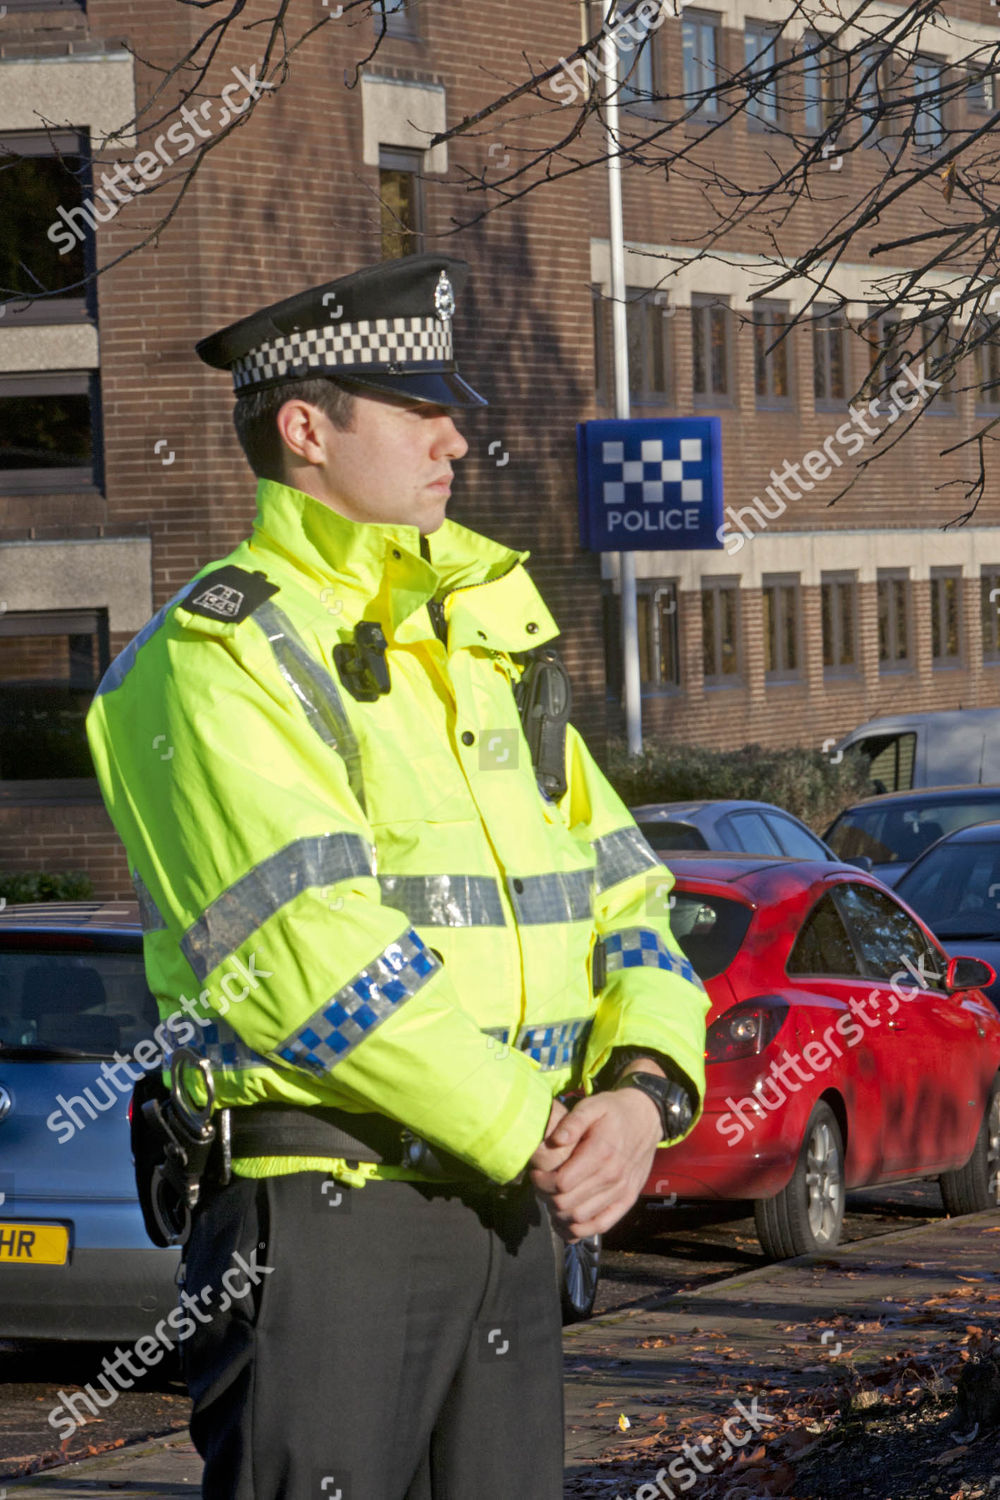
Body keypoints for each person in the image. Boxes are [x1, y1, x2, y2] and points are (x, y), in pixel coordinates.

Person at [86, 252, 709, 1500]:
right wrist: (541, 1128)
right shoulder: (218, 657)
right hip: (333, 1215)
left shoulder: (486, 638)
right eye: (420, 409)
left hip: (508, 1207)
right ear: (306, 428)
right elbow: (303, 958)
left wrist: (640, 1097)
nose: (455, 442)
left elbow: (631, 897)